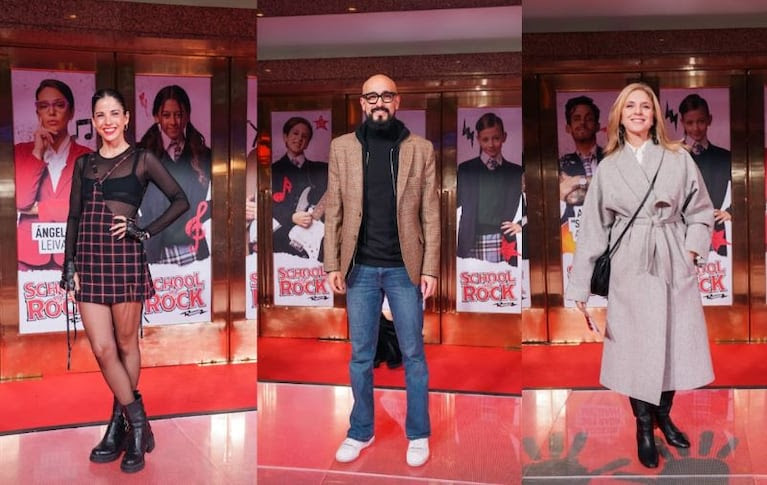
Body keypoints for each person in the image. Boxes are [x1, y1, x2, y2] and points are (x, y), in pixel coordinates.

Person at [565, 82, 715, 469]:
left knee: (673, 344)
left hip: (671, 258)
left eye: (644, 107)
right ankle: (644, 427)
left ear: (654, 116)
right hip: (629, 265)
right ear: (619, 115)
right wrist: (580, 285)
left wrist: (691, 249)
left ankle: (664, 414)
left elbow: (700, 210)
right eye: (630, 106)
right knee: (634, 348)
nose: (637, 112)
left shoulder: (678, 158)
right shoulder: (609, 167)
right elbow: (595, 229)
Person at [62, 88, 189, 473]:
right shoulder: (85, 165)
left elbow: (180, 200)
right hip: (89, 261)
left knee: (124, 343)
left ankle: (121, 431)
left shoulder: (142, 159)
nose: (108, 122)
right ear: (94, 122)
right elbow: (73, 217)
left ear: (127, 118)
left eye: (114, 113)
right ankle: (137, 424)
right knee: (102, 349)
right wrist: (68, 266)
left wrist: (144, 231)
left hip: (124, 261)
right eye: (100, 115)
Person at [324, 74, 439, 467]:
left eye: (386, 96)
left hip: (404, 269)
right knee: (360, 355)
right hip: (359, 269)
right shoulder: (342, 148)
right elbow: (335, 209)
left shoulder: (420, 149)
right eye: (371, 96)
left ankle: (419, 432)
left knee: (414, 354)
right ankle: (361, 430)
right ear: (361, 102)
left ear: (397, 101)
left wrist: (431, 269)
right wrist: (332, 263)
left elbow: (430, 213)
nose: (379, 102)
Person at [15, 79, 92, 271]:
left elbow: (88, 206)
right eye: (44, 106)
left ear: (72, 111)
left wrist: (41, 209)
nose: (51, 112)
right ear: (37, 112)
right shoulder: (21, 152)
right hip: (27, 260)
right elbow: (21, 202)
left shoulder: (88, 157)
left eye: (59, 105)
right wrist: (37, 152)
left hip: (76, 257)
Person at [138, 85, 211, 265]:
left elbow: (218, 201)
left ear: (187, 116)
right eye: (166, 115)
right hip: (153, 250)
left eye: (178, 114)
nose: (173, 121)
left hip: (194, 250)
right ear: (156, 117)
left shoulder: (204, 155)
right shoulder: (140, 154)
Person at [456, 113, 524, 264]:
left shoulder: (515, 171)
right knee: (472, 285)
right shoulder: (466, 169)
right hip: (470, 239)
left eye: (496, 138)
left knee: (502, 285)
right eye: (485, 139)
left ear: (504, 137)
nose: (491, 144)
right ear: (478, 139)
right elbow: (453, 202)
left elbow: (534, 202)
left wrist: (520, 224)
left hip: (503, 239)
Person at [679, 93, 732, 256]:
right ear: (682, 123)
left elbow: (745, 188)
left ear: (709, 119)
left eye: (701, 121)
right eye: (690, 122)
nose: (696, 128)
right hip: (682, 232)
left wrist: (731, 211)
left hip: (716, 234)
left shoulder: (725, 157)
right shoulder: (675, 158)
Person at [271, 116, 327, 260]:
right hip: (283, 238)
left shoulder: (321, 169)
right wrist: (291, 216)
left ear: (307, 143)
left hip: (315, 238)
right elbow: (265, 204)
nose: (299, 138)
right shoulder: (272, 170)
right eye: (295, 133)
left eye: (305, 136)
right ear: (285, 137)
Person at [558, 96, 604, 221]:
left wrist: (577, 181)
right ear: (568, 127)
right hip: (572, 236)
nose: (582, 123)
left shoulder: (612, 159)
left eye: (588, 119)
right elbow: (560, 205)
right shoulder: (560, 165)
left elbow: (616, 191)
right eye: (576, 119)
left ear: (597, 126)